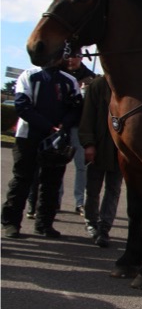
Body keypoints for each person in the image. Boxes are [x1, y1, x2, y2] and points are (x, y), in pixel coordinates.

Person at [1, 63, 83, 239]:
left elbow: (76, 108)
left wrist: (63, 126)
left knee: (52, 183)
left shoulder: (69, 80)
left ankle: (44, 224)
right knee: (22, 179)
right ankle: (11, 223)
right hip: (28, 136)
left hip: (58, 138)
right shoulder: (29, 75)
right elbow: (22, 105)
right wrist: (48, 127)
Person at [78, 75, 123, 248]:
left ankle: (104, 229)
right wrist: (88, 144)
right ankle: (91, 223)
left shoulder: (131, 83)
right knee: (93, 189)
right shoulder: (98, 85)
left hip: (119, 150)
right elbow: (87, 117)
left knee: (114, 190)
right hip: (98, 146)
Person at [62, 55, 96, 215]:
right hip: (61, 126)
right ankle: (55, 199)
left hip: (78, 127)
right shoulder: (59, 73)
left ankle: (79, 202)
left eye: (74, 56)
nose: (70, 60)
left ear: (81, 56)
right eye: (68, 56)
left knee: (81, 167)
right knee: (57, 164)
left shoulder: (90, 78)